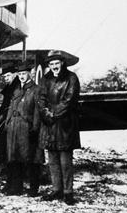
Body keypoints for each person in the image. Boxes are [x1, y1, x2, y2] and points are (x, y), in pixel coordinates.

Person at [38, 50, 81, 205]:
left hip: (65, 125)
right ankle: (57, 190)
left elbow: (69, 100)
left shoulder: (71, 78)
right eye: (51, 64)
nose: (54, 66)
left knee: (65, 161)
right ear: (49, 65)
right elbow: (40, 98)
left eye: (57, 63)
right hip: (49, 125)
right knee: (53, 160)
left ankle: (68, 192)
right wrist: (46, 113)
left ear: (62, 63)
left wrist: (53, 113)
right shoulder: (45, 79)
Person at [3, 62, 44, 197]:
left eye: (24, 74)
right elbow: (10, 107)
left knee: (31, 158)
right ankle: (16, 187)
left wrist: (35, 128)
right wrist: (7, 124)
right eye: (19, 74)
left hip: (26, 127)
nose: (21, 76)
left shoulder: (36, 89)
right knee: (14, 158)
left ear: (30, 74)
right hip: (14, 126)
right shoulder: (16, 90)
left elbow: (38, 111)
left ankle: (33, 189)